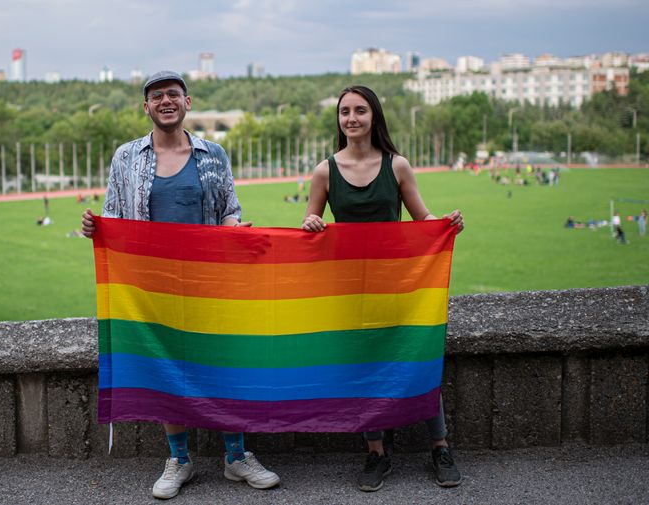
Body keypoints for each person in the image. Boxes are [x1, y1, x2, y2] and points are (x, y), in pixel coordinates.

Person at [80, 70, 280, 500]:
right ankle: (180, 460)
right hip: (154, 286)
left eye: (173, 94)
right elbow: (114, 216)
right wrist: (95, 226)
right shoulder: (127, 157)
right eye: (157, 96)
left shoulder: (213, 154)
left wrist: (232, 229)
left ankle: (236, 456)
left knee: (224, 365)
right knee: (167, 371)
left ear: (188, 102)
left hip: (211, 281)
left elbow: (230, 208)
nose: (165, 100)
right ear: (146, 107)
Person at [301, 85, 465, 492]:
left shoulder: (397, 167)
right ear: (338, 120)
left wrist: (446, 224)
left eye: (359, 110)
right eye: (344, 112)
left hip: (398, 289)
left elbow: (422, 219)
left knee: (417, 362)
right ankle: (376, 452)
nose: (351, 118)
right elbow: (311, 222)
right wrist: (311, 224)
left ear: (374, 116)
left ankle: (440, 446)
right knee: (365, 371)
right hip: (349, 291)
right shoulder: (325, 171)